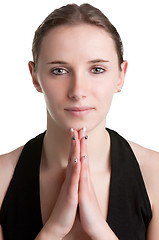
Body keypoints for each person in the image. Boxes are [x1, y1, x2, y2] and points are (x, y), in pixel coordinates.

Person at [0, 3, 159, 240]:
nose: (77, 91)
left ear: (120, 75)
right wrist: (53, 229)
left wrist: (98, 229)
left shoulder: (155, 175)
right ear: (34, 76)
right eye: (59, 71)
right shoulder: (2, 178)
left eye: (96, 69)